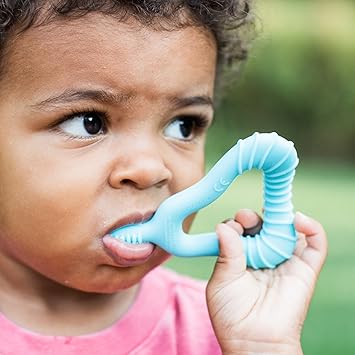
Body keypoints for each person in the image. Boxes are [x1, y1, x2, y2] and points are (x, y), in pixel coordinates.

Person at [0, 1, 327, 354]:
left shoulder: (222, 331)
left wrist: (263, 345)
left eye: (183, 126)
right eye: (89, 122)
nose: (150, 169)